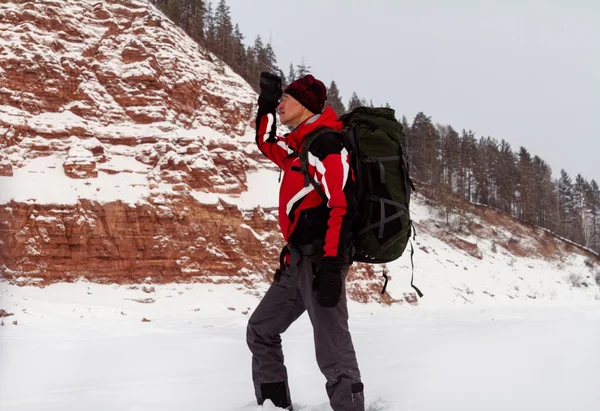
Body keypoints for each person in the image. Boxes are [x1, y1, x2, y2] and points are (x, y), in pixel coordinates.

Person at [246, 72, 364, 411]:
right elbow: (266, 141)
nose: (281, 103)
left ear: (306, 104)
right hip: (296, 262)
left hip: (322, 261)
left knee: (333, 349)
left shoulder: (326, 144)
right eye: (280, 99)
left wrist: (331, 266)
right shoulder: (297, 148)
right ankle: (273, 404)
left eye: (286, 99)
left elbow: (342, 204)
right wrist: (266, 103)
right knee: (261, 329)